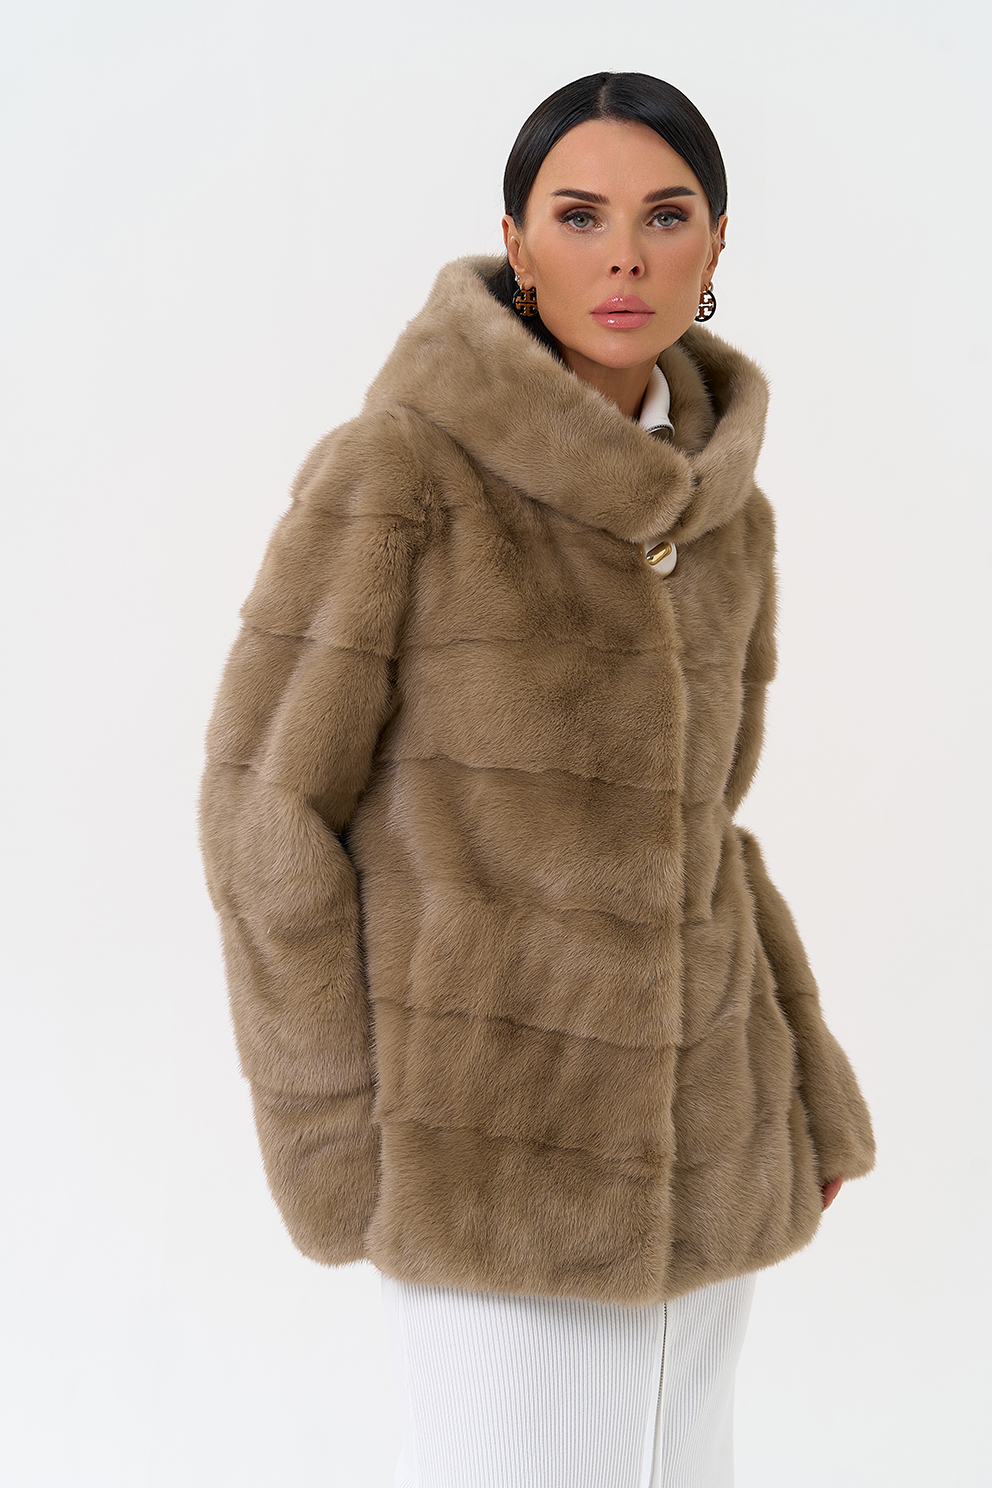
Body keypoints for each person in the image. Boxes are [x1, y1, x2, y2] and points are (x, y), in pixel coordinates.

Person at [199, 72, 875, 1488]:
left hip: (711, 1154)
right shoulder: (401, 474)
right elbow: (267, 816)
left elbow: (714, 834)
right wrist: (336, 1136)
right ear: (517, 242)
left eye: (665, 217)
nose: (624, 257)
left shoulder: (726, 516)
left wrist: (806, 1090)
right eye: (580, 216)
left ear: (716, 244)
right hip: (486, 1166)